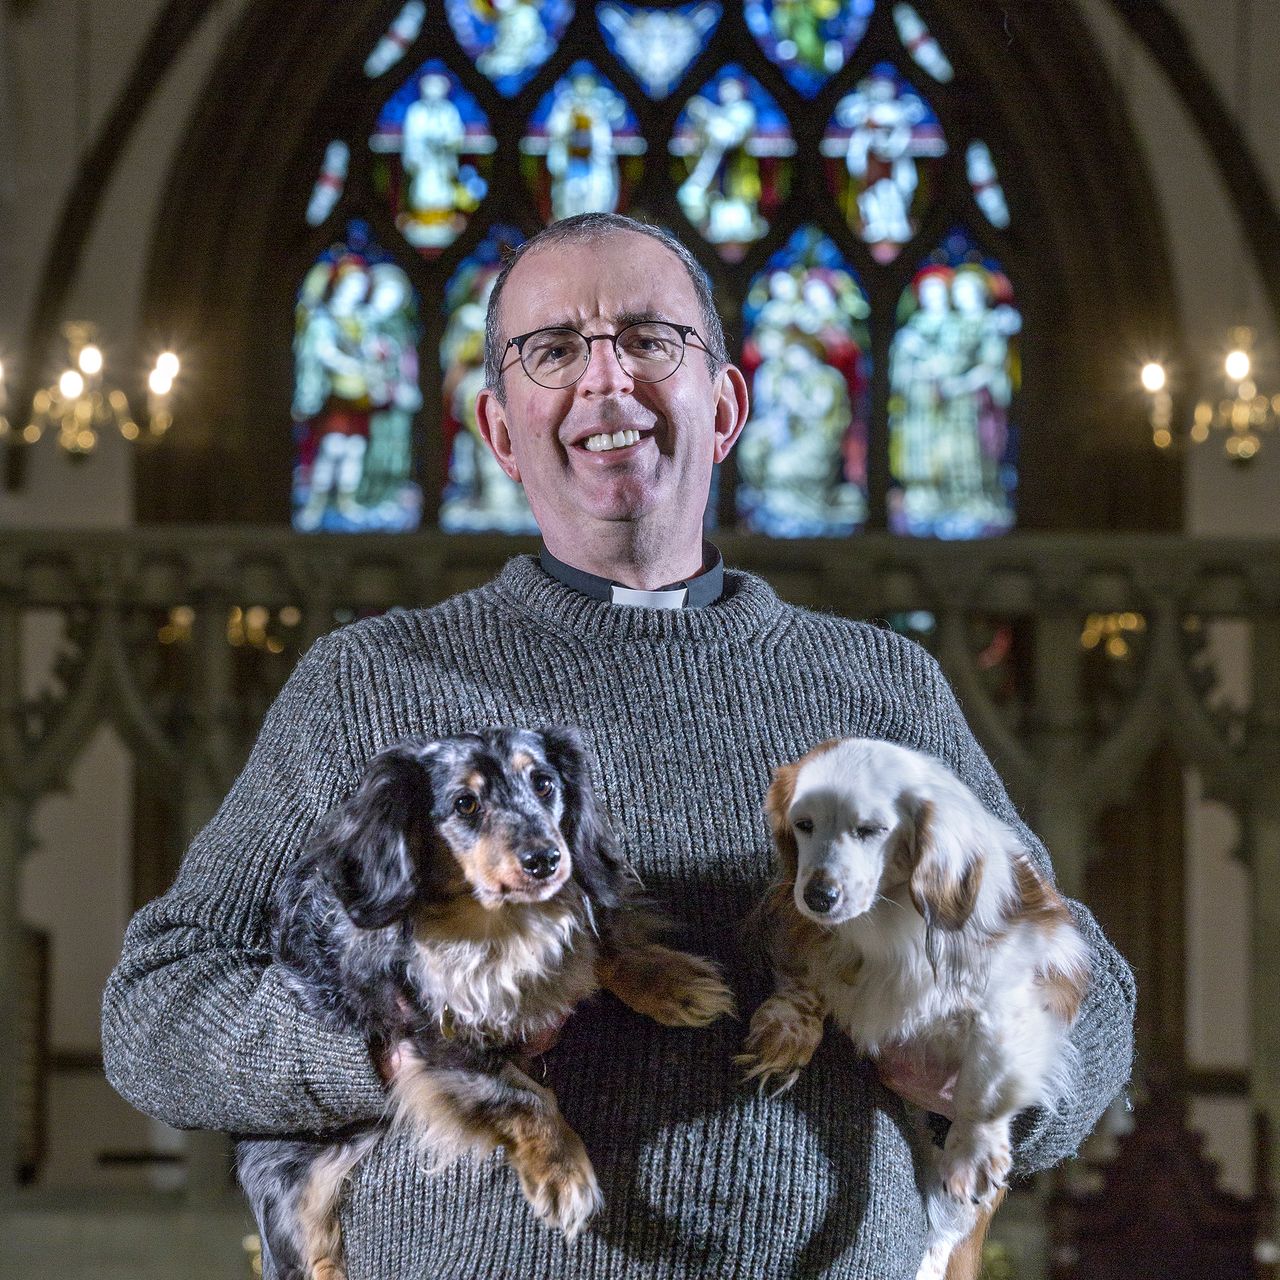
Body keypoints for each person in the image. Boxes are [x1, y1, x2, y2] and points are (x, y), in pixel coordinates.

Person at [102, 212, 1135, 1279]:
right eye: (552, 350)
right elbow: (156, 1007)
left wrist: (982, 1075)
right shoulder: (365, 683)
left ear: (724, 405)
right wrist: (388, 1045)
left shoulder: (879, 684)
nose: (605, 381)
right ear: (499, 429)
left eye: (648, 339)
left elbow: (1086, 984)